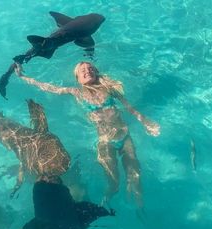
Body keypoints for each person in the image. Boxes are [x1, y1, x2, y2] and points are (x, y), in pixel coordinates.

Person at [15, 62, 160, 207]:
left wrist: (146, 122)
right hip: (105, 141)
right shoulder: (76, 92)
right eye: (82, 70)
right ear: (77, 78)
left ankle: (141, 208)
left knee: (135, 176)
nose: (87, 71)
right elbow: (49, 87)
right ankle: (107, 199)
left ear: (96, 72)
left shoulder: (109, 90)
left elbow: (129, 108)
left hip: (124, 136)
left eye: (90, 69)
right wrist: (22, 76)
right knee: (113, 181)